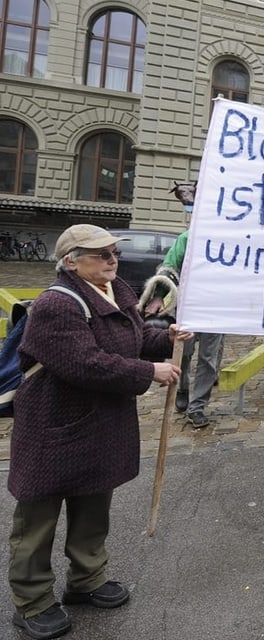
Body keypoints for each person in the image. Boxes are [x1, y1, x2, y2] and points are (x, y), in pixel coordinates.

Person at [8, 224, 187, 639]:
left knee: (93, 507)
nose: (112, 260)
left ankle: (86, 579)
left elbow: (134, 335)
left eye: (113, 253)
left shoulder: (117, 289)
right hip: (53, 426)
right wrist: (150, 371)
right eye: (100, 254)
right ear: (71, 261)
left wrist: (167, 339)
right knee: (38, 518)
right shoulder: (57, 303)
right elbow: (85, 363)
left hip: (98, 422)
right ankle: (32, 601)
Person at [142, 230, 224, 429]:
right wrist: (159, 295)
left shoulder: (230, 236)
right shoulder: (188, 237)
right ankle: (182, 389)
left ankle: (197, 406)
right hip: (190, 307)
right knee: (184, 353)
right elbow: (170, 266)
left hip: (218, 308)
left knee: (209, 359)